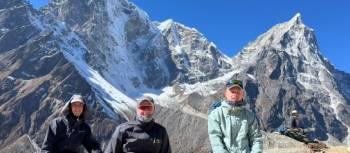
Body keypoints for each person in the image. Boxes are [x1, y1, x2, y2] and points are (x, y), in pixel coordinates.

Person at [208, 79, 262, 153]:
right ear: (225, 93)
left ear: (242, 94)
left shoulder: (250, 116)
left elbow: (256, 139)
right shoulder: (215, 115)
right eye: (232, 91)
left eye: (238, 92)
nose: (235, 94)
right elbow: (216, 141)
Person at [104, 95, 171, 153]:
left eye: (149, 107)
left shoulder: (161, 131)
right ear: (137, 110)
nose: (145, 111)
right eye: (142, 108)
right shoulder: (122, 130)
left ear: (153, 110)